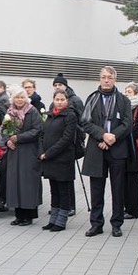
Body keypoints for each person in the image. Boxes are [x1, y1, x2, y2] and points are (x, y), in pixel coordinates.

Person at [81, 66, 132, 238]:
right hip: (96, 149)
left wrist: (112, 138)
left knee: (118, 189)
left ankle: (116, 224)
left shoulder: (123, 100)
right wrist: (102, 135)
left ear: (115, 79)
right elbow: (85, 123)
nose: (106, 80)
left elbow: (127, 124)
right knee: (96, 190)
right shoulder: (92, 98)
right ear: (99, 79)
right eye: (103, 77)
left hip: (117, 150)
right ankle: (96, 224)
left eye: (109, 77)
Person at [0, 86, 42, 226]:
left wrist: (18, 137)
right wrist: (8, 139)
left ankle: (28, 216)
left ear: (26, 98)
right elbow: (3, 129)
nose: (19, 99)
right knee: (14, 183)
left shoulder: (32, 111)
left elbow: (37, 130)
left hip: (28, 152)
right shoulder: (10, 112)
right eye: (17, 97)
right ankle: (18, 215)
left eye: (22, 97)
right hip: (14, 152)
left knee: (27, 183)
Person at [40, 89, 77, 232]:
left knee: (63, 191)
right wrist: (41, 151)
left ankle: (61, 221)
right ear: (53, 100)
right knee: (54, 190)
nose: (60, 102)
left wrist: (48, 153)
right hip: (49, 159)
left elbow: (66, 139)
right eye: (57, 99)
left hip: (63, 159)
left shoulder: (70, 115)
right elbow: (42, 135)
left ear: (67, 101)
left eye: (62, 99)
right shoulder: (49, 115)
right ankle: (53, 219)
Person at [51, 73, 85, 217]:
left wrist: (80, 136)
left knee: (67, 176)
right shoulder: (54, 102)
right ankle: (58, 205)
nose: (58, 87)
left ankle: (70, 205)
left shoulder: (75, 100)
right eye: (55, 85)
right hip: (56, 142)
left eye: (60, 85)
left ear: (65, 86)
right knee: (57, 176)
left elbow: (82, 120)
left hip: (71, 140)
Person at [124, 82, 138, 219]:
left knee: (133, 179)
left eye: (130, 91)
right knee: (124, 179)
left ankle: (134, 209)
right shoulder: (124, 107)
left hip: (134, 148)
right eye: (126, 91)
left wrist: (123, 136)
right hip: (124, 148)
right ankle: (126, 207)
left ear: (137, 93)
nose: (126, 93)